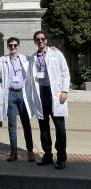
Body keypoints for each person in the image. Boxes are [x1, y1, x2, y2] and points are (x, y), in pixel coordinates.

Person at [30, 31, 70, 169]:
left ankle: (61, 157)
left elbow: (65, 72)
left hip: (55, 93)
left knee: (60, 127)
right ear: (35, 41)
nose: (40, 41)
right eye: (37, 39)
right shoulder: (33, 57)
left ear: (46, 41)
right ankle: (47, 155)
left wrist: (65, 90)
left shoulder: (56, 53)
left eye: (42, 39)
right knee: (43, 126)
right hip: (41, 93)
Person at [1, 37, 35, 162]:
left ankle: (30, 151)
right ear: (8, 47)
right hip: (10, 94)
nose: (13, 47)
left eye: (15, 45)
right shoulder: (3, 60)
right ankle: (13, 152)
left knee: (26, 123)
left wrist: (51, 50)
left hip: (22, 94)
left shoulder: (25, 59)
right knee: (12, 125)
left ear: (18, 46)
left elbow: (38, 58)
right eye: (10, 45)